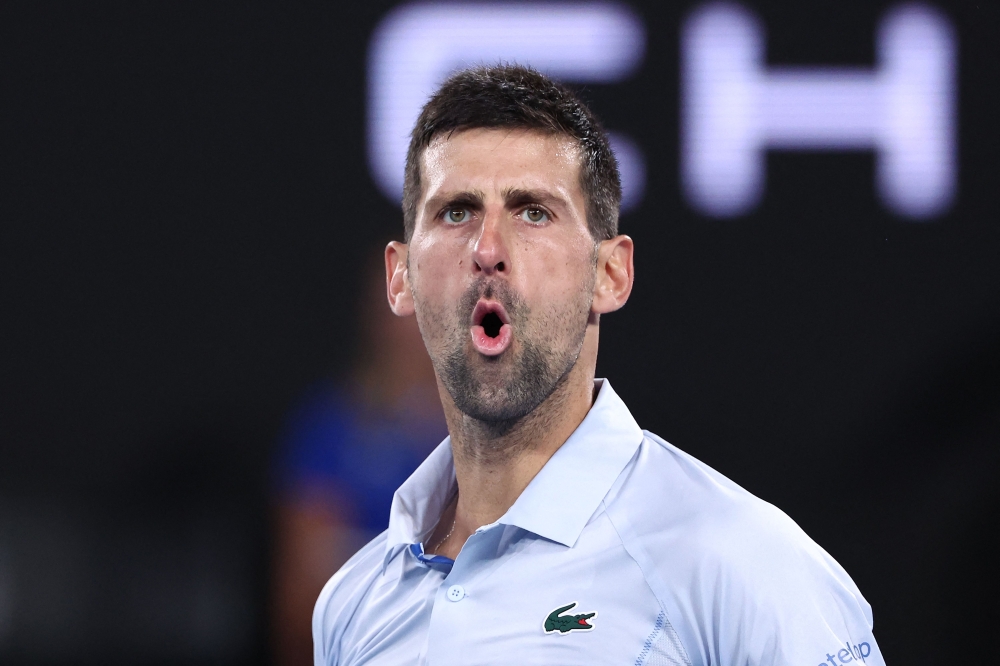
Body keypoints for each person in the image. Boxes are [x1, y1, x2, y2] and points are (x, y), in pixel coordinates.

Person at [312, 65, 885, 665]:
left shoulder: (740, 563)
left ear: (609, 274)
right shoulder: (354, 603)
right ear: (400, 278)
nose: (487, 249)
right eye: (456, 212)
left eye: (533, 212)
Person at [271, 249, 446, 666]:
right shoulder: (328, 428)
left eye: (425, 300)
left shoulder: (496, 435)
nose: (408, 321)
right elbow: (298, 602)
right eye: (395, 299)